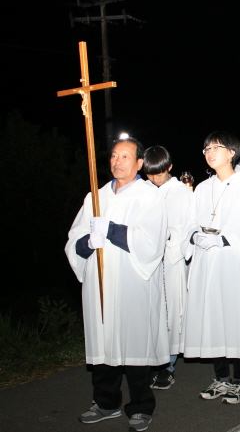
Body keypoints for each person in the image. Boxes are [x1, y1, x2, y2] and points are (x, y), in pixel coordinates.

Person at [65, 137, 168, 431]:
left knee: (134, 342)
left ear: (139, 163)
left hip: (133, 283)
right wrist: (88, 242)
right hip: (100, 283)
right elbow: (74, 240)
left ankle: (141, 407)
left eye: (125, 156)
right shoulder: (95, 197)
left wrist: (111, 230)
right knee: (103, 341)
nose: (117, 161)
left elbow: (152, 241)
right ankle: (106, 402)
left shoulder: (149, 196)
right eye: (113, 156)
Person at [181, 131, 240, 404]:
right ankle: (221, 377)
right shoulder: (202, 188)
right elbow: (189, 223)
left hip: (229, 259)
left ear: (231, 152)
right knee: (211, 317)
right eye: (206, 148)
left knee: (233, 316)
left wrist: (224, 239)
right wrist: (194, 237)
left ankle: (239, 380)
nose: (209, 152)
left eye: (215, 147)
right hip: (205, 261)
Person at [142, 146, 193, 391]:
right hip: (146, 262)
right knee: (149, 313)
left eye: (159, 173)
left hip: (171, 261)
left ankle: (168, 366)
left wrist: (169, 239)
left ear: (169, 167)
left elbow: (189, 227)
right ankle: (149, 363)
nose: (155, 179)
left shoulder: (182, 193)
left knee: (171, 313)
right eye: (150, 174)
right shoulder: (142, 191)